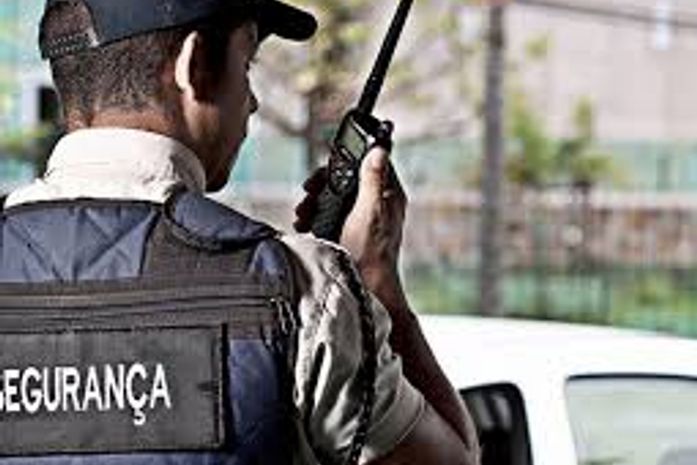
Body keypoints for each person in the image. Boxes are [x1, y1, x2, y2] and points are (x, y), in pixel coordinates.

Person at [0, 0, 480, 464]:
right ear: (193, 67)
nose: (251, 102)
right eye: (246, 65)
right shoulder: (303, 288)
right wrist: (376, 282)